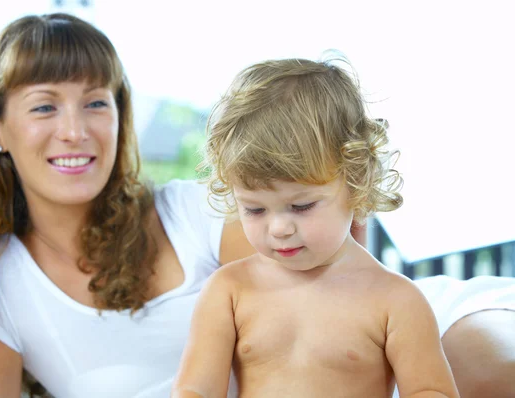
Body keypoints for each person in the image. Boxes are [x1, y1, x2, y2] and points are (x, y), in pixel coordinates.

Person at [0, 12, 512, 398]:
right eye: (45, 106)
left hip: (386, 335)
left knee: (489, 360)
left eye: (96, 103)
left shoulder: (194, 212)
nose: (75, 130)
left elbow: (320, 286)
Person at [171, 57, 461, 398]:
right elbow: (195, 390)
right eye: (254, 208)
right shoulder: (229, 291)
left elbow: (431, 391)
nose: (278, 227)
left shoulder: (395, 301)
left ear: (356, 183)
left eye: (301, 206)